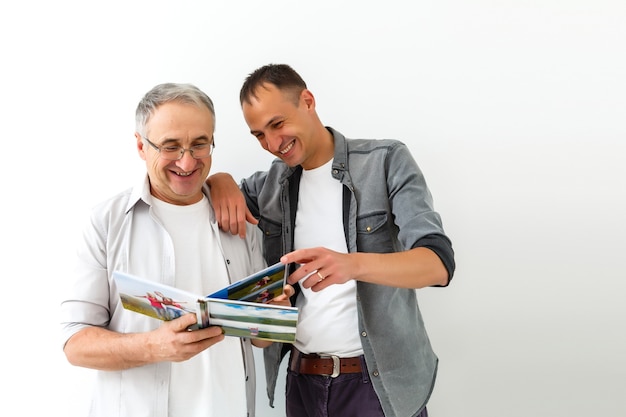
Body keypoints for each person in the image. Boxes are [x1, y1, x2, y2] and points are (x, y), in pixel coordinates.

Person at [208, 64, 456, 417]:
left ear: (307, 101)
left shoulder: (385, 161)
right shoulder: (267, 188)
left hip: (379, 388)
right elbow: (202, 201)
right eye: (259, 135)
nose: (273, 144)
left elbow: (438, 265)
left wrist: (350, 264)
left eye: (277, 124)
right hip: (303, 385)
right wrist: (220, 179)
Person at [60, 82, 292, 417]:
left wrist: (271, 316)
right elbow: (75, 344)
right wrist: (153, 347)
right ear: (141, 146)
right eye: (171, 146)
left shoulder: (241, 222)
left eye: (200, 145)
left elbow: (261, 339)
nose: (187, 162)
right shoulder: (107, 223)